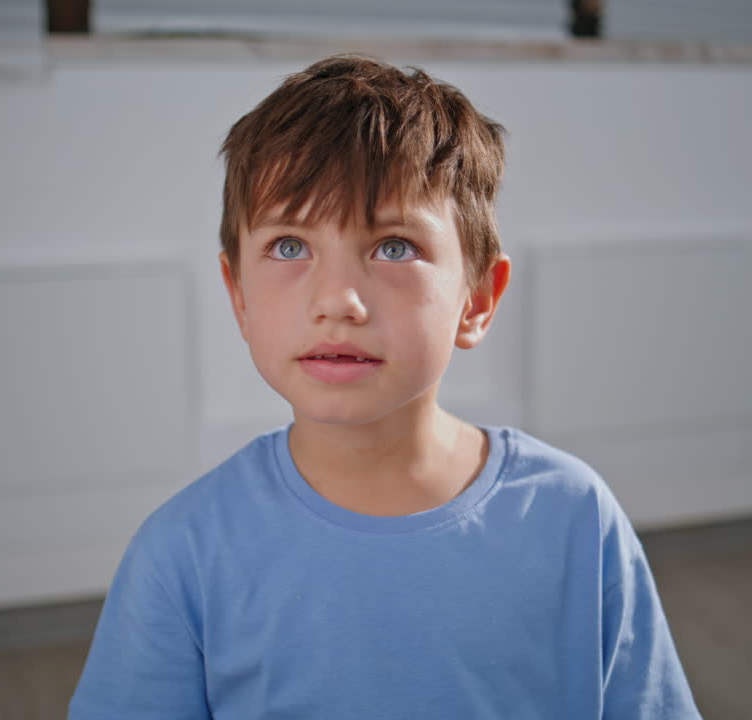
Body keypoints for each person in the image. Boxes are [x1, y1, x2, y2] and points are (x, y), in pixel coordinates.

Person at [69, 54, 700, 719]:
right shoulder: (183, 553)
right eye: (289, 246)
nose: (338, 301)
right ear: (238, 296)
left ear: (478, 298)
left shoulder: (574, 516)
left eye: (393, 247)